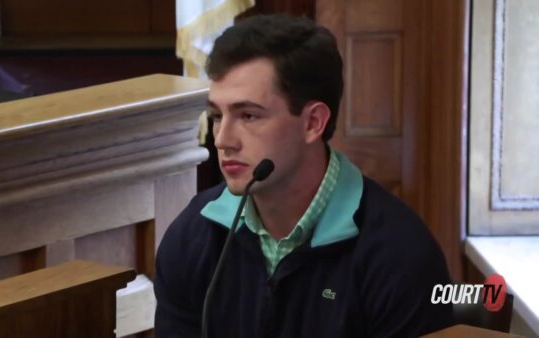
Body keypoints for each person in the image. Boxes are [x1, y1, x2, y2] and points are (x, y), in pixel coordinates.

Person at [154, 14, 454, 337]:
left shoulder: (401, 254)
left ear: (313, 123)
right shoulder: (192, 236)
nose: (223, 139)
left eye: (249, 116)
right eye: (216, 116)